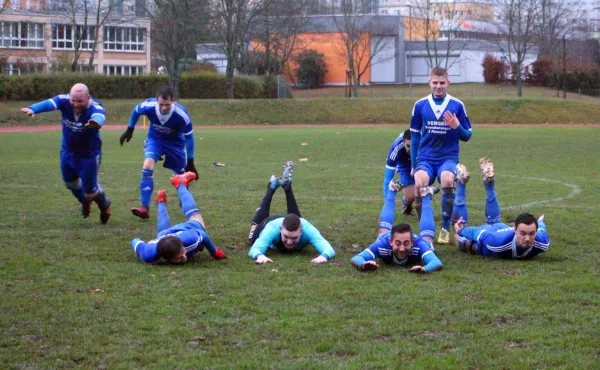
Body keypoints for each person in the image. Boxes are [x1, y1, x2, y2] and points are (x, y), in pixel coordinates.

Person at [20, 83, 112, 224]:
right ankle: (84, 201)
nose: (75, 104)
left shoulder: (95, 106)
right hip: (68, 152)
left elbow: (99, 116)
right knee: (70, 183)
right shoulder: (64, 100)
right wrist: (33, 109)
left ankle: (104, 204)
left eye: (80, 101)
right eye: (73, 100)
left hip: (89, 155)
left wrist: (96, 122)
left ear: (88, 98)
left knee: (91, 192)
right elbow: (50, 103)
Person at [410, 67, 472, 244]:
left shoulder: (457, 105)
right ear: (429, 83)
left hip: (448, 157)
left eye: (442, 83)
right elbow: (414, 137)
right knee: (420, 182)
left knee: (447, 180)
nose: (438, 86)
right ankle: (424, 223)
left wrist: (456, 127)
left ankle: (444, 227)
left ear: (448, 83)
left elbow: (467, 136)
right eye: (435, 83)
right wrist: (414, 164)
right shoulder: (420, 105)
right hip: (426, 157)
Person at [120, 86, 198, 220]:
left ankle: (184, 201)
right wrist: (130, 129)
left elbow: (189, 137)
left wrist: (190, 162)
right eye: (161, 104)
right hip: (155, 140)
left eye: (167, 105)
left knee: (180, 176)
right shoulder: (149, 106)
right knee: (147, 165)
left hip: (175, 144)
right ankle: (144, 208)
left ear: (173, 100)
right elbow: (136, 111)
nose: (163, 108)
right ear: (156, 100)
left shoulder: (181, 115)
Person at [453, 158, 550, 259]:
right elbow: (477, 233)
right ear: (515, 230)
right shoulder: (497, 242)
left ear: (536, 231)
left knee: (494, 222)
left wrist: (540, 222)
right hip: (489, 235)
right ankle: (461, 182)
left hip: (501, 228)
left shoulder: (542, 242)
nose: (527, 239)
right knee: (458, 238)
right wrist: (460, 231)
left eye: (532, 233)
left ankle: (473, 181)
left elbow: (541, 228)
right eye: (523, 233)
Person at [248, 161, 335, 264]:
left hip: (293, 221)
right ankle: (271, 188)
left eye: (294, 237)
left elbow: (329, 249)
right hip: (269, 222)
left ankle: (287, 187)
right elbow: (254, 249)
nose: (289, 242)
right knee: (252, 237)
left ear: (301, 231)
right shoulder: (272, 229)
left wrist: (323, 256)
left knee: (297, 218)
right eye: (285, 236)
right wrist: (260, 256)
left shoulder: (308, 229)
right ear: (280, 229)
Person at [131, 172, 227, 264]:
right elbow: (135, 241)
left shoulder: (189, 239)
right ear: (165, 258)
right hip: (163, 237)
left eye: (183, 252)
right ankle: (167, 195)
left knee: (197, 221)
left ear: (182, 246)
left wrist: (215, 252)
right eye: (178, 258)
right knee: (162, 234)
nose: (184, 257)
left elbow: (202, 234)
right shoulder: (149, 256)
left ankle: (177, 186)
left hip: (185, 230)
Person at [351, 185, 443, 274]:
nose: (402, 249)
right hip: (385, 238)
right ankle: (392, 189)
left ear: (412, 242)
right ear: (390, 241)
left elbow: (436, 262)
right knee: (382, 234)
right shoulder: (382, 244)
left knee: (427, 241)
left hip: (419, 242)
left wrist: (425, 269)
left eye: (406, 243)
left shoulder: (419, 245)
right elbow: (357, 258)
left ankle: (426, 195)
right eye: (398, 243)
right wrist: (363, 264)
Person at [378, 129, 415, 236]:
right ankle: (406, 201)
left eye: (414, 146)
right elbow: (387, 179)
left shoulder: (424, 143)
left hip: (420, 160)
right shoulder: (397, 149)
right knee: (410, 197)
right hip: (404, 164)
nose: (411, 149)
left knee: (421, 190)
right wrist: (387, 206)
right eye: (408, 146)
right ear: (403, 142)